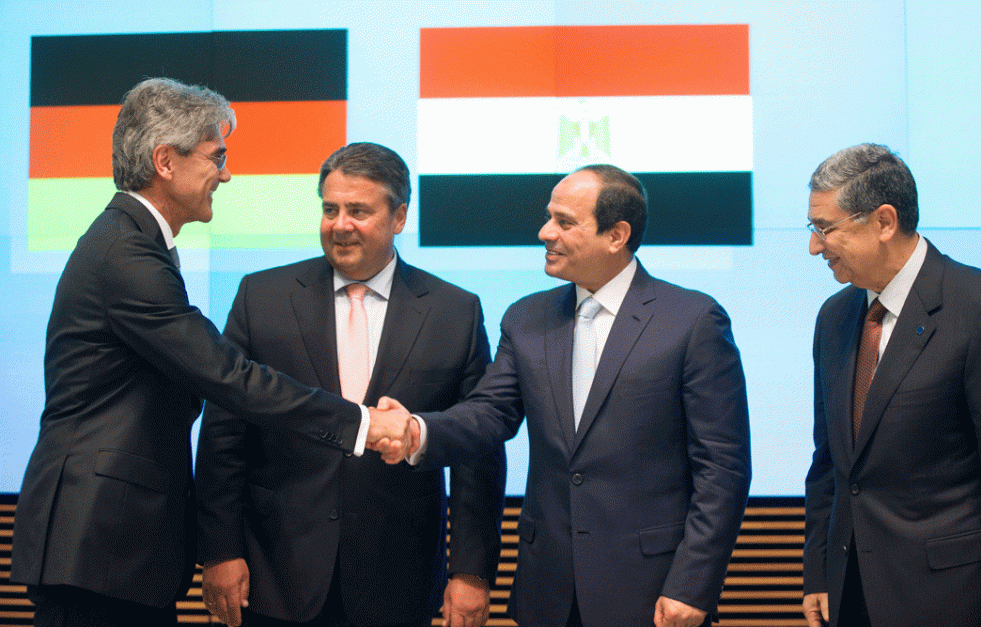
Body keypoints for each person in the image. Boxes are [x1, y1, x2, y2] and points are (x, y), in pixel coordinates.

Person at [10, 78, 406, 627]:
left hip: (108, 545)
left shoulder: (130, 241)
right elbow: (229, 376)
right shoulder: (127, 253)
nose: (225, 173)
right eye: (216, 156)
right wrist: (361, 423)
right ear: (165, 162)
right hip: (98, 543)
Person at [376, 164, 752, 627]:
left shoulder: (692, 320)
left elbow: (723, 469)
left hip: (652, 591)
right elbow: (490, 413)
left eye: (564, 222)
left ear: (616, 235)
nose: (545, 232)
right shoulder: (527, 318)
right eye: (548, 217)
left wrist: (692, 585)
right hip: (548, 589)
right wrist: (417, 430)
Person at [194, 142, 506, 627]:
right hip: (276, 575)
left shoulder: (454, 311)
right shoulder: (262, 297)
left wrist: (472, 571)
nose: (340, 224)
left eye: (358, 211)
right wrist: (219, 551)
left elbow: (477, 454)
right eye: (330, 209)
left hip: (398, 580)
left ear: (399, 217)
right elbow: (223, 435)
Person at [801, 143, 981, 627]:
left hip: (951, 600)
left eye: (825, 229)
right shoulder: (835, 317)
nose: (814, 246)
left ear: (884, 222)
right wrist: (819, 573)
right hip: (850, 596)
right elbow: (830, 464)